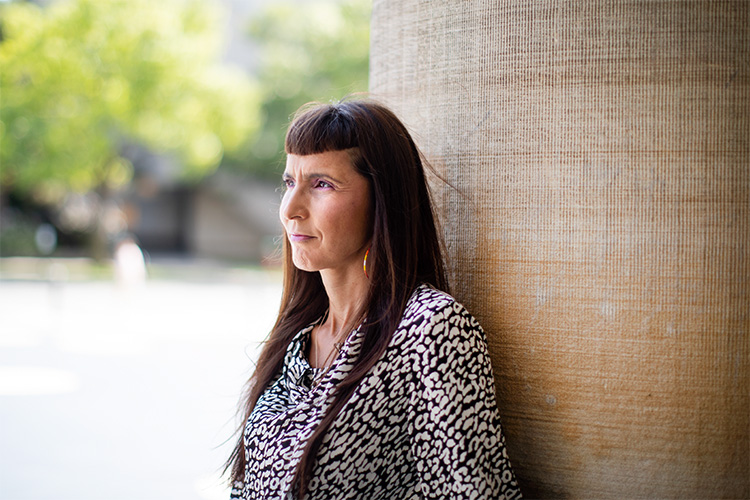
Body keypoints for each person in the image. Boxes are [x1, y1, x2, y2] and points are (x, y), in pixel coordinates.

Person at [227, 99, 522, 499]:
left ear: (380, 199)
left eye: (321, 184)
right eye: (289, 183)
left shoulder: (430, 328)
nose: (291, 209)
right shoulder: (298, 335)